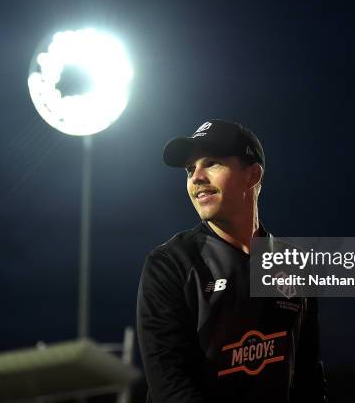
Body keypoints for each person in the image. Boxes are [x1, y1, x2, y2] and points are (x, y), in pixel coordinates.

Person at [136, 119, 327, 403]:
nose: (196, 177)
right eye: (190, 170)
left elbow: (308, 381)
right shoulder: (169, 263)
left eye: (211, 163)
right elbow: (170, 386)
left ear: (252, 175)